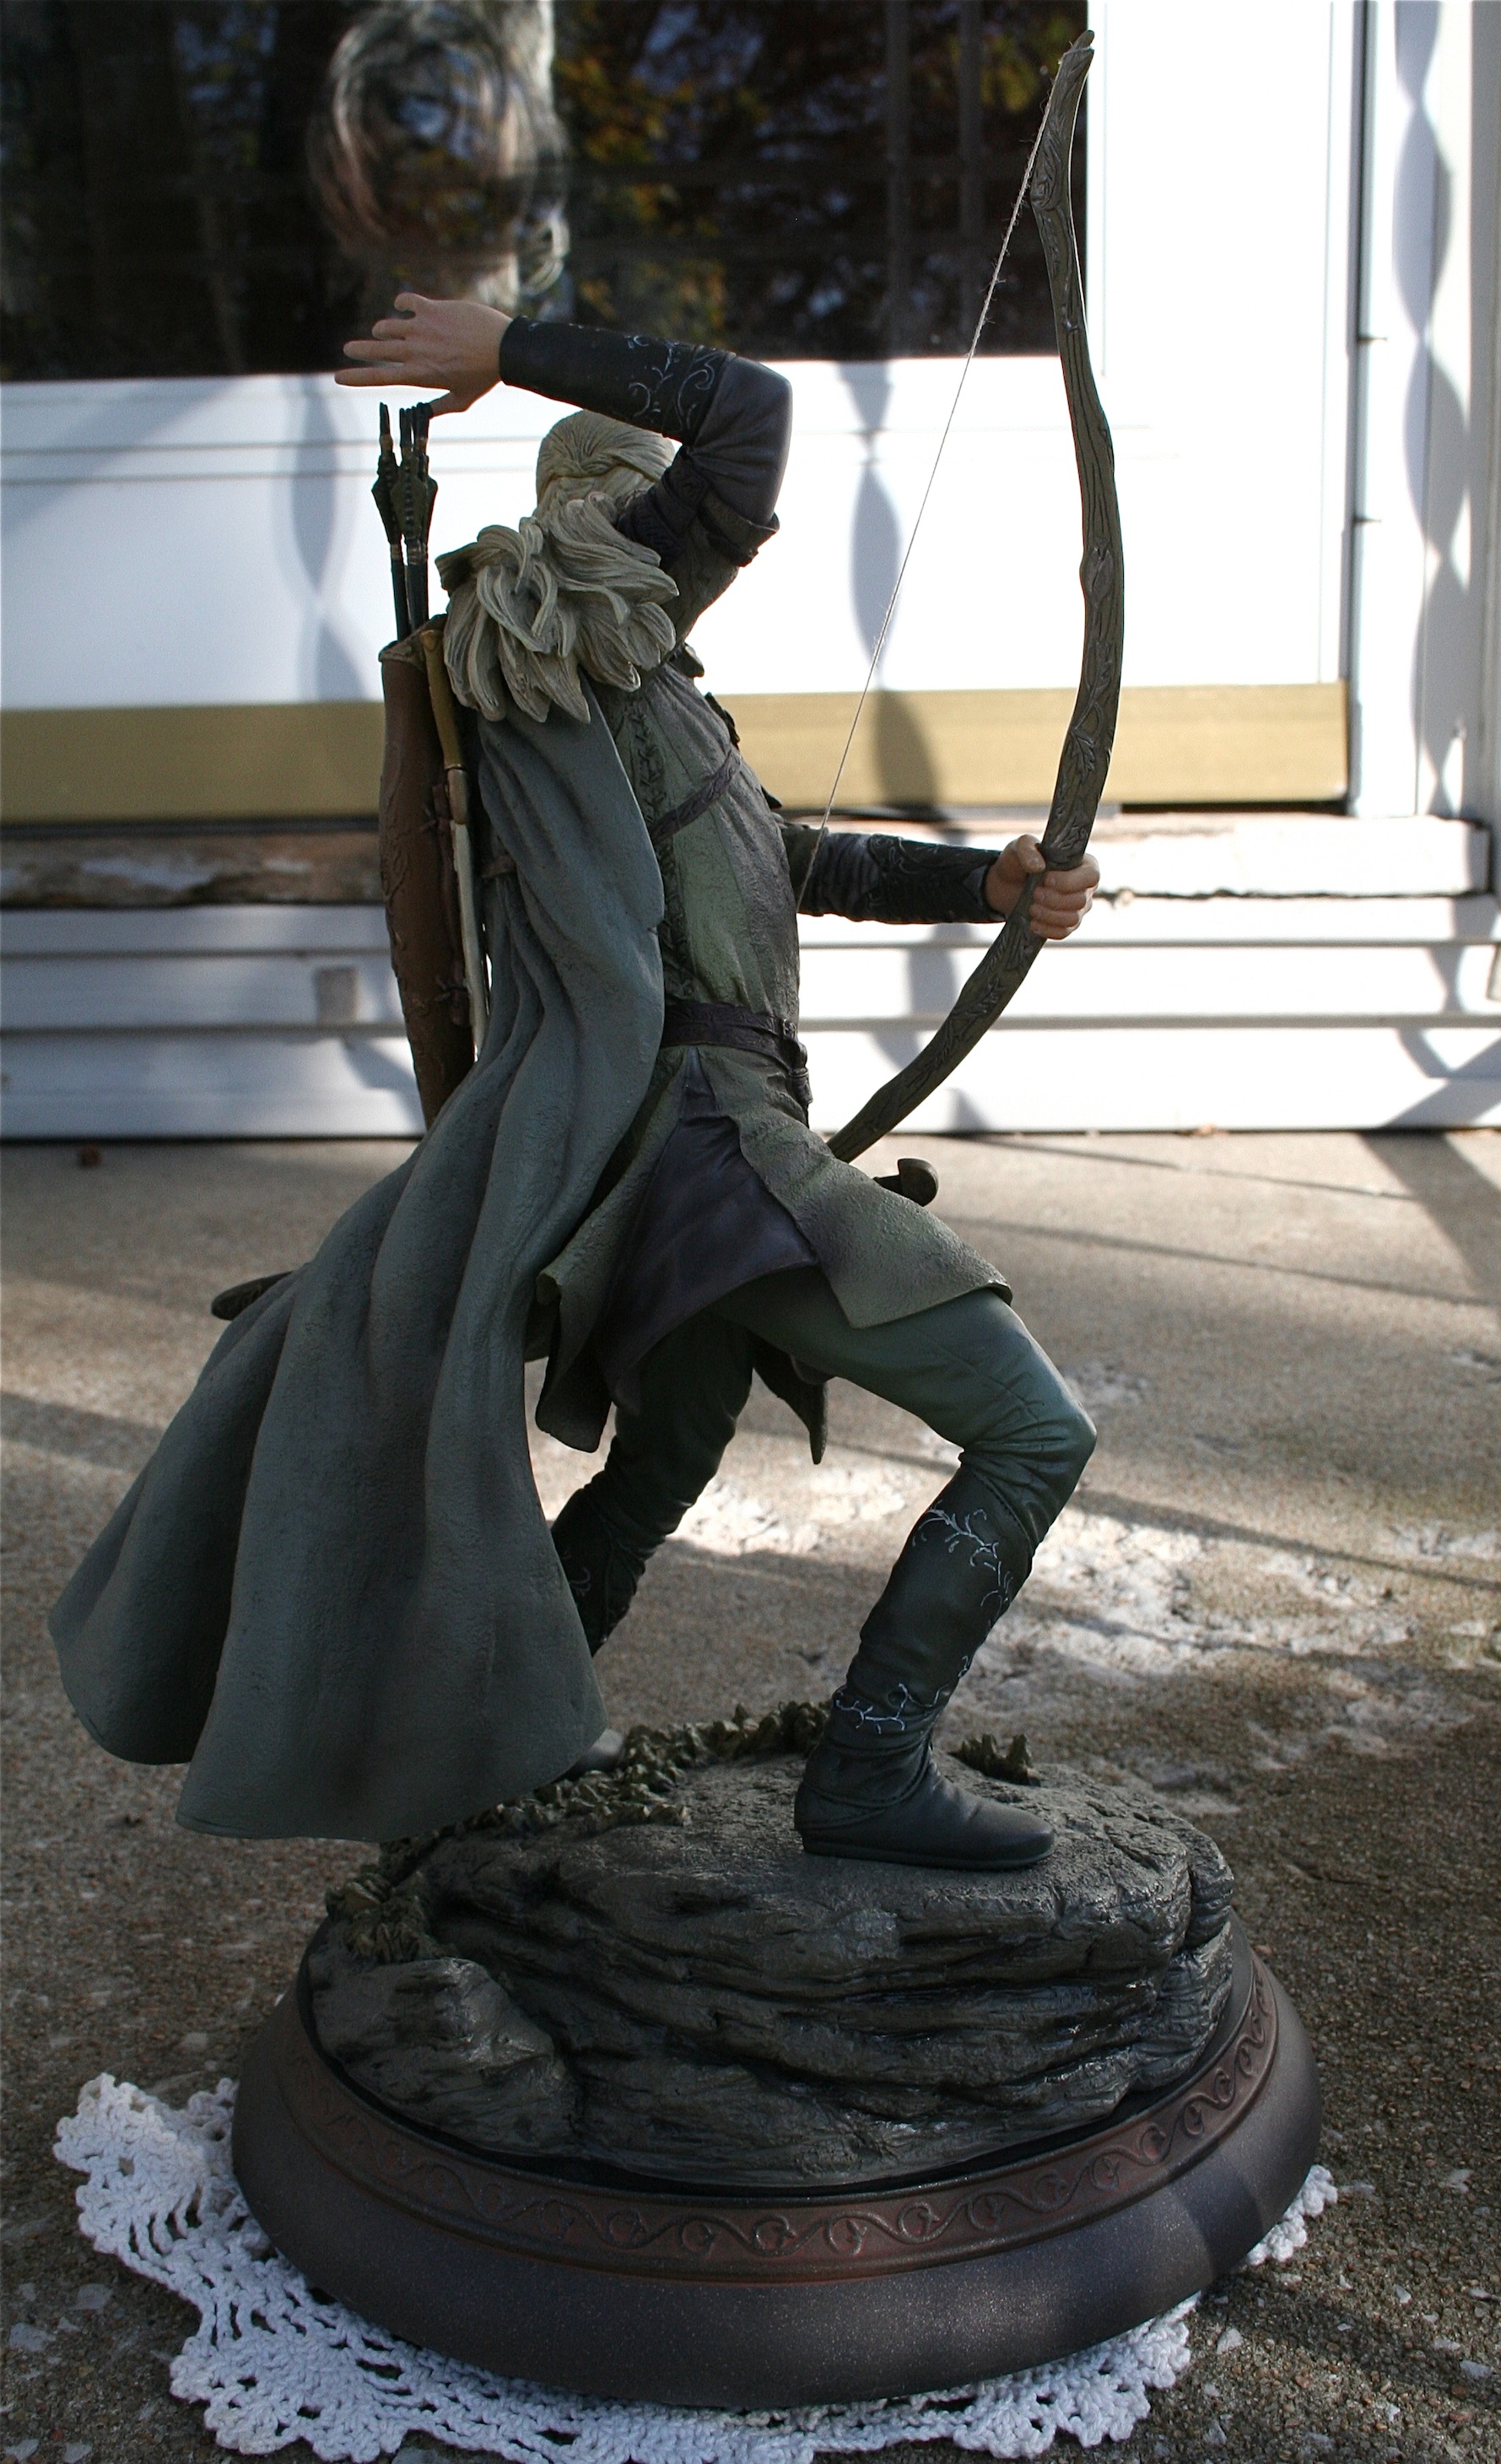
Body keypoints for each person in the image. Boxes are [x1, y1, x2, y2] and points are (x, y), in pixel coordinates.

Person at [52, 295, 1100, 1872]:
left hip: (688, 1154)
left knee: (659, 1465)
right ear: (617, 515)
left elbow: (783, 857)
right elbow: (748, 415)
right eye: (675, 515)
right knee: (1032, 1430)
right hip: (704, 1145)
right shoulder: (574, 626)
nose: (715, 545)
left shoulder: (633, 689)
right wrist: (511, 345)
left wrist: (985, 885)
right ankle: (870, 1769)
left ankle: (475, 1756)